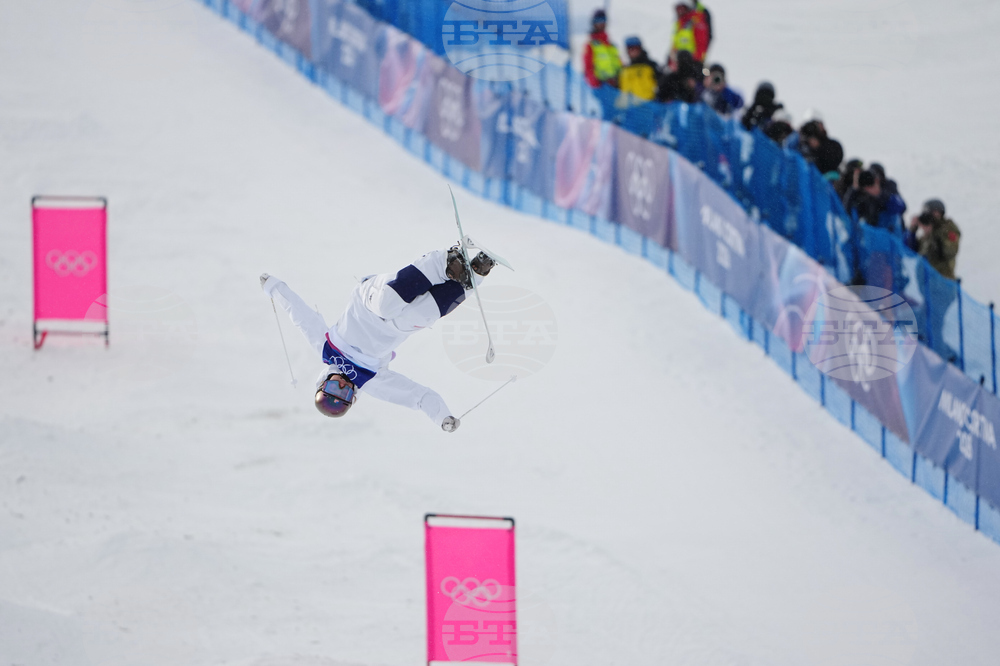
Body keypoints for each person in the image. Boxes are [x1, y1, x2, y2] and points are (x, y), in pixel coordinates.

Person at [259, 245, 498, 431]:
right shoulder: (371, 381)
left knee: (387, 305)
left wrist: (273, 287)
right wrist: (442, 418)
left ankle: (442, 262)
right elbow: (418, 396)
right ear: (353, 398)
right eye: (344, 393)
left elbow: (299, 314)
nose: (342, 384)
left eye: (334, 386)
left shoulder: (324, 349)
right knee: (419, 316)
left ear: (323, 382)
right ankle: (472, 275)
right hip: (396, 329)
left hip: (368, 301)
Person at [906, 199, 961, 279]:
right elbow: (909, 251)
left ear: (940, 213)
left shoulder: (948, 228)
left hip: (943, 282)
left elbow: (949, 252)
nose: (929, 217)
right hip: (925, 283)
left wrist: (933, 234)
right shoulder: (925, 236)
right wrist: (912, 231)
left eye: (932, 213)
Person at [583, 9, 622, 89]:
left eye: (603, 20)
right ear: (593, 23)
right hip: (602, 88)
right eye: (598, 21)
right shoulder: (591, 45)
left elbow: (619, 64)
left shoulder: (611, 46)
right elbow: (588, 68)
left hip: (616, 87)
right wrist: (595, 84)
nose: (601, 23)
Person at [618, 36, 660, 102]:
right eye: (630, 49)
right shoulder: (624, 70)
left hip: (649, 106)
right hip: (630, 109)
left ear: (640, 48)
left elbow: (662, 84)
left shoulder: (650, 65)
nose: (633, 51)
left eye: (635, 48)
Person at [670, 1, 711, 66]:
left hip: (692, 62)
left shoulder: (696, 20)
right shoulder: (679, 24)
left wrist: (696, 62)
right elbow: (675, 44)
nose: (680, 11)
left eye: (682, 8)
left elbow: (702, 43)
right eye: (678, 8)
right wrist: (672, 61)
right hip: (679, 63)